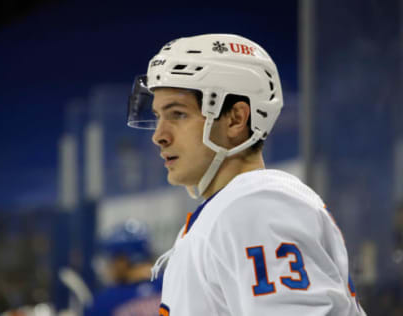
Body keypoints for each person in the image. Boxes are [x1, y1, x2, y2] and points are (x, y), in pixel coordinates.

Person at [126, 34, 366, 315]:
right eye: (157, 117)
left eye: (178, 114)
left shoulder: (256, 208)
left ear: (236, 118)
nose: (159, 136)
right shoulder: (237, 207)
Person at [85, 219, 162, 316]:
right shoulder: (171, 284)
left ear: (122, 261)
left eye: (111, 258)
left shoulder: (104, 302)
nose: (109, 265)